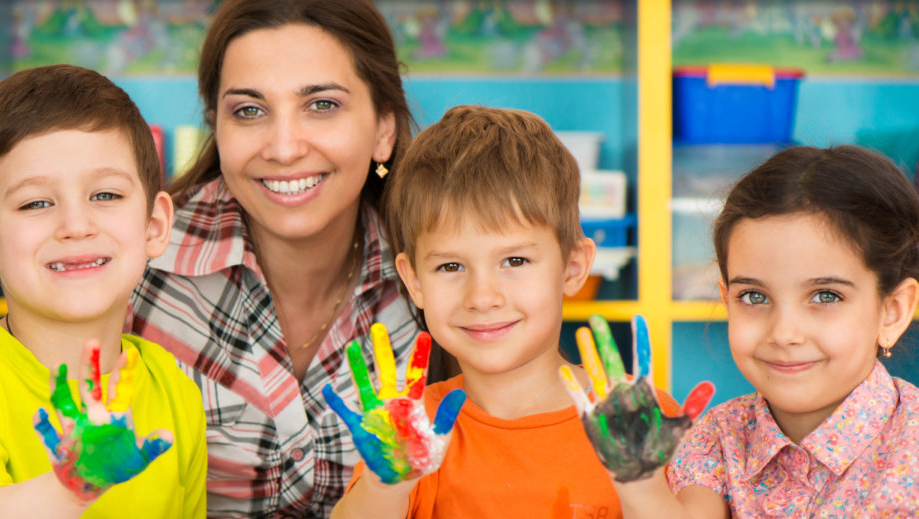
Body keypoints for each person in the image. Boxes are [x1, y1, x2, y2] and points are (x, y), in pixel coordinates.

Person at [128, 1, 436, 515]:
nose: (285, 147)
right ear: (217, 129)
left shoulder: (435, 275)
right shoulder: (137, 269)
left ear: (384, 128)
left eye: (321, 105)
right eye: (249, 111)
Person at [333, 105, 680, 518]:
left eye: (515, 261)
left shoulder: (637, 420)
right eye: (450, 266)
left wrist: (643, 488)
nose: (482, 296)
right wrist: (384, 485)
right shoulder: (410, 429)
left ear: (572, 267)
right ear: (414, 281)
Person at [0, 64, 206, 518]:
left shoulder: (176, 392)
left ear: (156, 225)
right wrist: (74, 487)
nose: (76, 226)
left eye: (105, 195)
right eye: (36, 203)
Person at [623, 146, 919, 517]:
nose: (784, 332)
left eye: (825, 295)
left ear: (893, 311)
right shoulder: (716, 436)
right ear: (726, 299)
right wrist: (639, 481)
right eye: (754, 296)